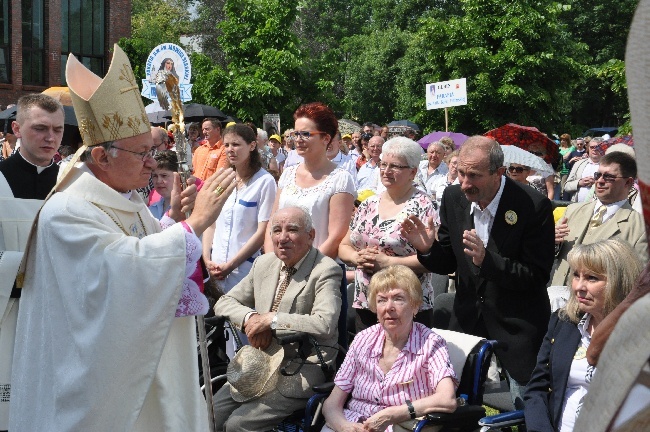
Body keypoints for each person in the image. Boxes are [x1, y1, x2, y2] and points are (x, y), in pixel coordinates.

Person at [9, 44, 238, 432]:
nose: (152, 163)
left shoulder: (126, 201)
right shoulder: (67, 210)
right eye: (142, 154)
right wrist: (193, 227)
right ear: (101, 157)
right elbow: (118, 275)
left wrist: (172, 223)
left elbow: (139, 252)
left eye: (153, 152)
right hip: (91, 389)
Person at [401, 136, 555, 407]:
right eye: (460, 172)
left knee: (529, 407)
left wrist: (488, 262)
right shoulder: (453, 197)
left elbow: (537, 276)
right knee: (458, 407)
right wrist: (428, 249)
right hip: (468, 317)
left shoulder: (532, 205)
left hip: (518, 324)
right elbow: (448, 261)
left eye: (474, 175)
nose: (465, 183)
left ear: (499, 173)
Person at [212, 207, 342, 432]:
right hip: (260, 363)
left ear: (310, 236)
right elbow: (223, 302)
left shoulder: (325, 269)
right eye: (276, 230)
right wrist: (251, 318)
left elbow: (325, 323)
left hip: (302, 366)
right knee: (209, 413)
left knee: (237, 425)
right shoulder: (264, 264)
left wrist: (272, 320)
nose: (282, 238)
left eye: (292, 230)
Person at [524, 239, 642, 432]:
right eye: (576, 275)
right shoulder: (563, 323)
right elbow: (536, 389)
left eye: (592, 278)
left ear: (619, 281)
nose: (579, 286)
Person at [321, 265, 458, 432]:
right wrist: (344, 427)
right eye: (382, 300)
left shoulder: (431, 343)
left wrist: (392, 414)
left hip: (400, 426)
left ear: (415, 306)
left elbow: (447, 399)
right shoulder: (362, 340)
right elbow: (331, 404)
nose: (389, 307)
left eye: (398, 298)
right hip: (351, 423)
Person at [0, 94, 64, 430]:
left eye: (57, 129)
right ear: (16, 129)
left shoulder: (73, 184)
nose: (50, 137)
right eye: (40, 128)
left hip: (60, 315)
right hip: (8, 312)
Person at [339, 137, 436, 331]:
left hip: (406, 305)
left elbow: (432, 260)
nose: (386, 171)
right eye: (383, 164)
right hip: (368, 301)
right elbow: (343, 246)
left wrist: (388, 263)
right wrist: (357, 257)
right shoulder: (368, 204)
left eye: (395, 166)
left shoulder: (424, 206)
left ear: (413, 172)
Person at [264, 102, 355, 261]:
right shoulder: (288, 174)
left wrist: (303, 269)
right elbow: (272, 223)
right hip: (281, 269)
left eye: (305, 134)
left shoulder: (340, 179)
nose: (298, 140)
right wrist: (273, 262)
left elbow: (336, 237)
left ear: (325, 138)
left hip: (319, 272)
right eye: (296, 134)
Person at [551, 151, 647, 287]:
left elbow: (637, 282)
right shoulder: (573, 210)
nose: (600, 181)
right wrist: (552, 242)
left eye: (608, 177)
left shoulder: (640, 228)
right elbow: (549, 253)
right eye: (598, 175)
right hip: (558, 298)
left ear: (628, 182)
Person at [203, 124, 276, 296]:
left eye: (236, 144)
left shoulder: (265, 182)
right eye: (226, 145)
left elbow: (262, 231)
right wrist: (206, 258)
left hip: (244, 270)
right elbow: (211, 222)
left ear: (251, 146)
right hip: (216, 268)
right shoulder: (224, 179)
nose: (230, 150)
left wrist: (231, 265)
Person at [564, 138, 603, 202]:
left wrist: (595, 183)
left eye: (597, 147)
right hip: (577, 206)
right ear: (588, 148)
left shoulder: (607, 165)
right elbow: (566, 186)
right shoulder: (578, 164)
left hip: (598, 206)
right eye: (592, 147)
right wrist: (579, 183)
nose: (594, 149)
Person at [148, 150, 178, 219]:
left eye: (164, 176)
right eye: (155, 176)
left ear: (178, 176)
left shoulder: (188, 209)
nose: (158, 181)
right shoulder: (151, 211)